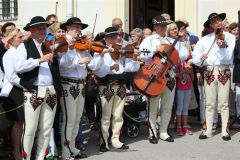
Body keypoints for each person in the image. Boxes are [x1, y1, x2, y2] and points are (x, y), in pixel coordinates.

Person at [15, 16, 61, 160]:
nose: (42, 31)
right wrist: (38, 60)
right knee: (30, 129)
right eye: (39, 28)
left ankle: (41, 158)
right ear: (32, 30)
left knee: (46, 129)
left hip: (51, 91)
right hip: (33, 91)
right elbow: (19, 67)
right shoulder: (24, 46)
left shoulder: (48, 46)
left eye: (44, 28)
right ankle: (26, 158)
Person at [88, 26, 140, 152]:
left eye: (115, 37)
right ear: (105, 38)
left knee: (118, 114)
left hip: (121, 84)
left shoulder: (121, 51)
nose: (113, 39)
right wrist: (108, 65)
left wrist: (133, 58)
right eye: (110, 37)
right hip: (107, 85)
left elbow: (132, 68)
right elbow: (95, 68)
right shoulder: (100, 50)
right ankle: (104, 140)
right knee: (105, 115)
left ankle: (116, 140)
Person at [192, 13, 235, 141]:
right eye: (214, 21)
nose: (217, 22)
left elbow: (229, 57)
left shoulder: (230, 37)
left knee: (224, 103)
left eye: (218, 20)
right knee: (209, 103)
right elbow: (195, 58)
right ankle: (208, 129)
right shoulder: (205, 39)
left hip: (223, 70)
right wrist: (201, 58)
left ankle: (225, 131)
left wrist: (223, 47)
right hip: (209, 71)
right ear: (210, 25)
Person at [139, 15, 180, 144]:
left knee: (167, 106)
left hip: (169, 75)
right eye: (160, 26)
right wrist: (155, 49)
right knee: (153, 106)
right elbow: (142, 53)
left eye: (164, 26)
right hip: (155, 75)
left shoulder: (170, 40)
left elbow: (181, 55)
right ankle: (152, 132)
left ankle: (163, 132)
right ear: (155, 27)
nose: (162, 28)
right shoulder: (149, 39)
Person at [58, 17, 89, 159]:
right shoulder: (62, 42)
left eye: (80, 27)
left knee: (77, 119)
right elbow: (62, 64)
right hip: (68, 83)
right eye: (75, 26)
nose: (79, 29)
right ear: (68, 27)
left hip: (81, 84)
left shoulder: (82, 43)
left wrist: (89, 59)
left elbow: (89, 60)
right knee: (69, 120)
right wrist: (78, 60)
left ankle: (72, 147)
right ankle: (65, 151)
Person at [1, 28, 24, 160]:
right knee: (18, 122)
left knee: (22, 123)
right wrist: (27, 86)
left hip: (21, 88)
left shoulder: (19, 52)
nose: (22, 39)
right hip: (14, 90)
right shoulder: (9, 54)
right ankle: (16, 151)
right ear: (11, 40)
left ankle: (21, 150)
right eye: (19, 37)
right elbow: (12, 77)